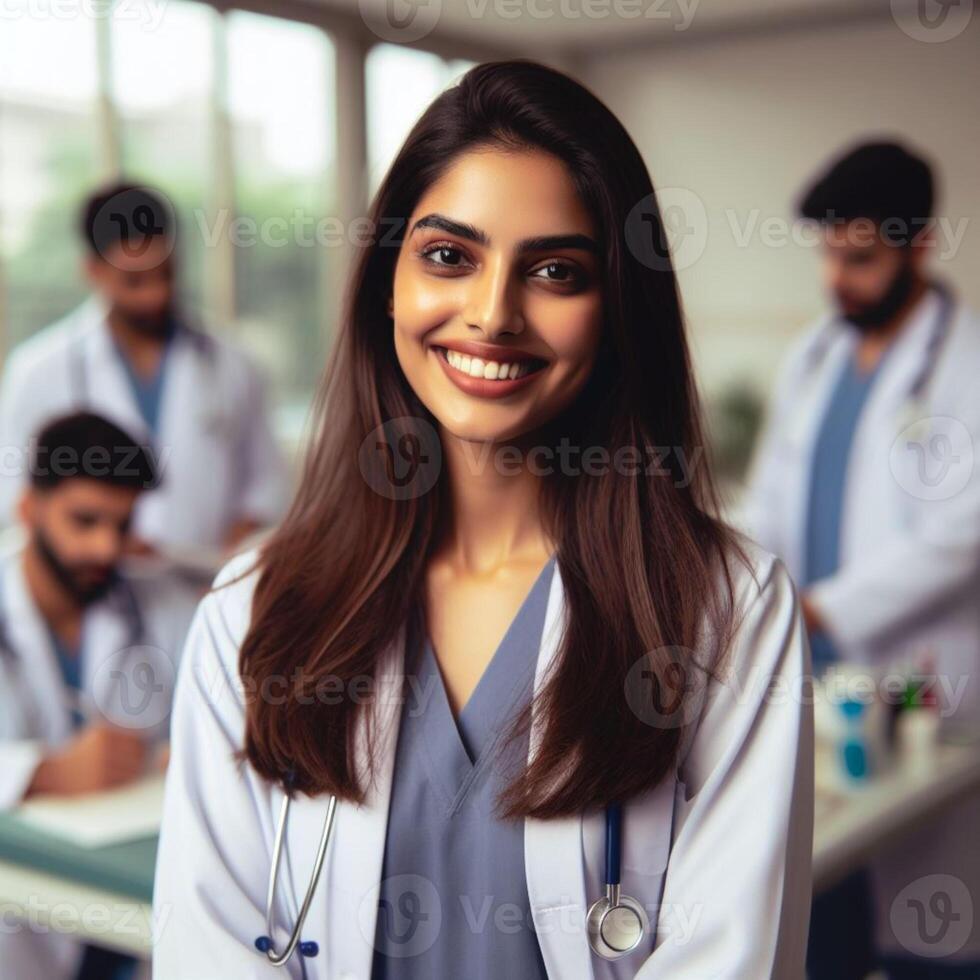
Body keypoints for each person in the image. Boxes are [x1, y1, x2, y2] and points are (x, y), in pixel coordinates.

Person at [154, 60, 813, 978]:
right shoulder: (254, 605)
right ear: (389, 282)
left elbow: (732, 956)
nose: (492, 314)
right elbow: (206, 947)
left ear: (618, 309)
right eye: (448, 256)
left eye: (555, 270)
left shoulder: (727, 611)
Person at [741, 140, 980, 976]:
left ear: (919, 244)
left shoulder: (968, 363)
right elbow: (769, 495)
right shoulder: (816, 355)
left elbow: (963, 530)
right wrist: (743, 584)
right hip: (811, 671)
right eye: (830, 254)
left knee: (930, 927)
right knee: (819, 902)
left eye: (862, 257)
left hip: (924, 676)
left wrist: (819, 608)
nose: (838, 277)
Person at [0, 411, 199, 980]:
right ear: (28, 508)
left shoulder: (164, 603)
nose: (106, 548)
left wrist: (189, 750)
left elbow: (231, 711)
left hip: (129, 908)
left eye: (122, 524)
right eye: (84, 521)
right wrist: (43, 772)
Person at [0, 182, 289, 558]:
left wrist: (237, 550)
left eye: (165, 275)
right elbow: (13, 498)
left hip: (203, 584)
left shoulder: (235, 362)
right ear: (93, 270)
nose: (155, 295)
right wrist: (105, 541)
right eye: (134, 281)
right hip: (96, 591)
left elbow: (267, 485)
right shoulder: (37, 370)